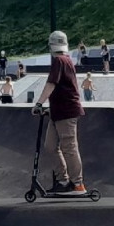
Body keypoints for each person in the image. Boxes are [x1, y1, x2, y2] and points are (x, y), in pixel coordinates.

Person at [37, 29, 87, 196]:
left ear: (51, 45)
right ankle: (63, 181)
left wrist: (39, 103)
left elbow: (51, 84)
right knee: (50, 146)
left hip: (67, 110)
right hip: (57, 111)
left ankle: (78, 184)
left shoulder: (59, 61)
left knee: (69, 147)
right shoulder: (65, 60)